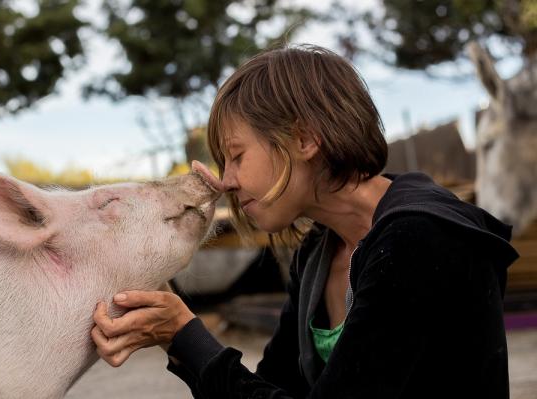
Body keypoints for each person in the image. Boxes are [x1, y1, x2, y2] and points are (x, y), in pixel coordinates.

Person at [90, 44, 519, 398]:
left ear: (305, 138)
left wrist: (185, 334)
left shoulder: (420, 240)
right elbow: (272, 390)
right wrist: (175, 334)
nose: (228, 182)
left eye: (237, 156)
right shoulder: (318, 253)